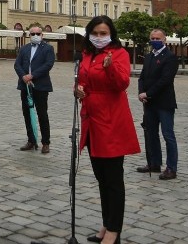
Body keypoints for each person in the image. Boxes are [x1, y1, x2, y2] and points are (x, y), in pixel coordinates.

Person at [75, 15, 140, 244]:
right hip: (91, 121)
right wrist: (78, 90)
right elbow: (82, 80)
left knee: (113, 179)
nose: (99, 37)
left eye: (103, 33)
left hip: (111, 121)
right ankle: (106, 223)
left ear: (110, 34)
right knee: (101, 178)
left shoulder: (118, 54)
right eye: (96, 33)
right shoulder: (86, 54)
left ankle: (114, 230)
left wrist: (111, 67)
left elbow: (122, 83)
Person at [138, 28, 179, 180]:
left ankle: (171, 168)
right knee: (150, 134)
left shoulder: (170, 57)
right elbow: (142, 77)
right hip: (149, 103)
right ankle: (154, 163)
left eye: (157, 38)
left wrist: (148, 93)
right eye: (152, 38)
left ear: (164, 40)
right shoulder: (148, 56)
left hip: (164, 103)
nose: (154, 40)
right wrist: (141, 92)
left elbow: (165, 80)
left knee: (168, 135)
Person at [13, 25, 56, 153]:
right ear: (29, 35)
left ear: (42, 35)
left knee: (42, 114)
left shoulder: (48, 48)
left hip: (41, 86)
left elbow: (48, 64)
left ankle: (45, 142)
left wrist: (33, 75)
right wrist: (23, 76)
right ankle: (31, 140)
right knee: (27, 113)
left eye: (38, 33)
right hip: (25, 85)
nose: (35, 36)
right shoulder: (24, 49)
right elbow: (17, 64)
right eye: (33, 34)